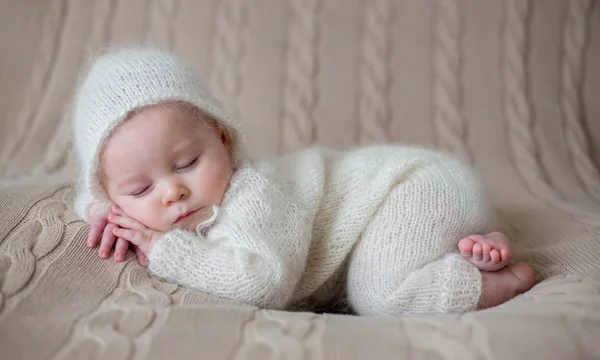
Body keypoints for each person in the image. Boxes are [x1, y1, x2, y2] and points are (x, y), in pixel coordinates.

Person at [72, 47, 536, 316]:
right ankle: (469, 245)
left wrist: (163, 249)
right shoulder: (131, 199)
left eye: (188, 161)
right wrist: (99, 212)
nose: (172, 191)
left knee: (380, 296)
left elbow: (263, 284)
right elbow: (88, 194)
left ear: (224, 139)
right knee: (381, 268)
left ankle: (501, 279)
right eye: (138, 191)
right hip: (405, 208)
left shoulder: (250, 195)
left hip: (415, 187)